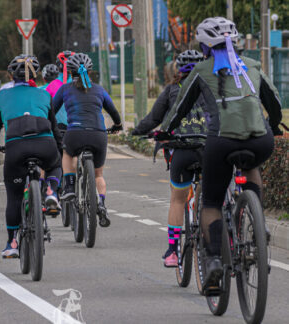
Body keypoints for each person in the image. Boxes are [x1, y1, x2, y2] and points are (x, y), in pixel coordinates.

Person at [161, 17, 283, 293]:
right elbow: (273, 101)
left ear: (204, 46)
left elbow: (180, 107)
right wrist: (273, 126)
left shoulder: (202, 70)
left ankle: (215, 259)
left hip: (221, 142)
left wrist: (166, 131)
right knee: (251, 164)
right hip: (261, 140)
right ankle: (257, 223)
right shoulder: (252, 65)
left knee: (212, 202)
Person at [132, 50, 207, 267]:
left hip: (182, 151)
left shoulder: (172, 90)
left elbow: (153, 118)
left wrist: (136, 132)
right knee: (214, 198)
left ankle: (173, 252)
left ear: (178, 70)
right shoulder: (212, 88)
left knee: (177, 199)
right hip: (207, 149)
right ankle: (225, 243)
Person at [0, 55, 63, 258]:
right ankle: (52, 192)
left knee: (14, 196)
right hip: (44, 142)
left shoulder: (2, 95)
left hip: (15, 146)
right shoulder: (44, 95)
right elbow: (54, 128)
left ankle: (12, 242)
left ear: (12, 75)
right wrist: (60, 149)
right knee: (55, 166)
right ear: (36, 74)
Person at [53, 53, 122, 227]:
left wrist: (51, 126)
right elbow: (113, 111)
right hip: (98, 135)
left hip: (75, 133)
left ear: (69, 72)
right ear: (90, 71)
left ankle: (69, 187)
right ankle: (102, 203)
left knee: (67, 153)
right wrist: (118, 125)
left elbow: (51, 111)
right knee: (98, 174)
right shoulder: (99, 90)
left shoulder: (65, 89)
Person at [46, 50, 75, 130]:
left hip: (58, 128)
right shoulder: (81, 84)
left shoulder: (52, 85)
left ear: (58, 67)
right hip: (79, 127)